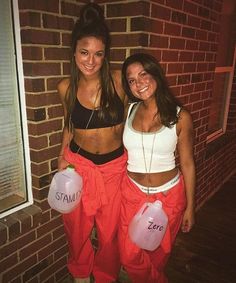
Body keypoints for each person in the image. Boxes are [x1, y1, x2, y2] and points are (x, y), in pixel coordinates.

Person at [57, 3, 127, 283]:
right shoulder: (66, 87)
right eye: (84, 52)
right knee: (76, 229)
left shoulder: (119, 82)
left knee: (109, 232)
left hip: (113, 169)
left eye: (98, 54)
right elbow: (69, 124)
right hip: (79, 165)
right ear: (74, 51)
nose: (90, 61)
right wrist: (61, 156)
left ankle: (107, 275)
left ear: (105, 56)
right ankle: (81, 275)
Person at [118, 53, 196, 283]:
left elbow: (188, 164)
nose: (138, 83)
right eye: (131, 80)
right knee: (129, 254)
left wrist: (190, 207)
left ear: (156, 74)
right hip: (131, 194)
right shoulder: (128, 110)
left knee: (159, 254)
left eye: (143, 74)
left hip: (168, 197)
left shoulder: (181, 117)